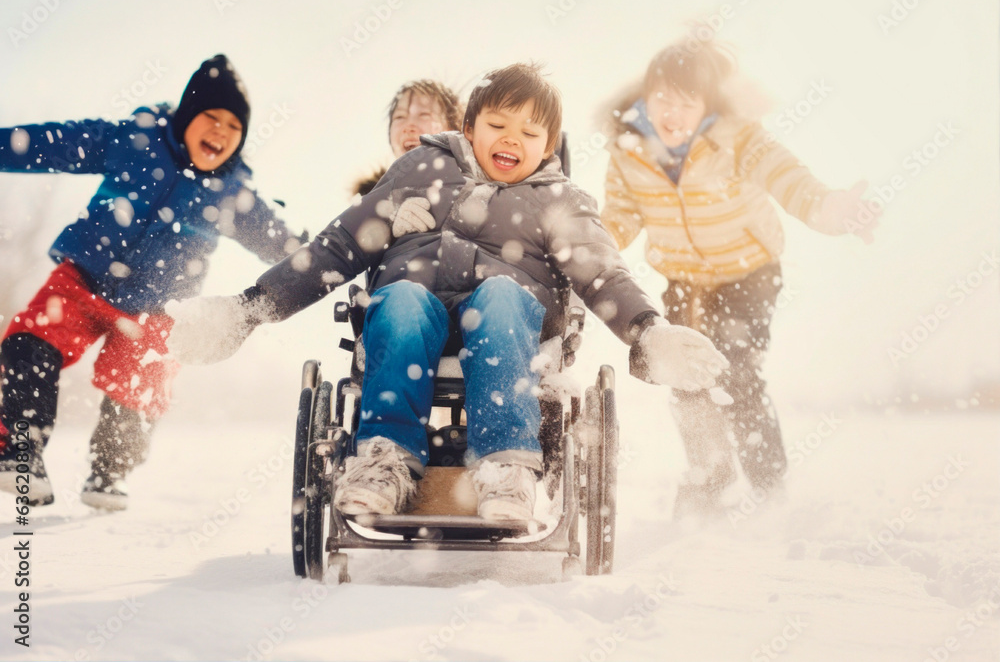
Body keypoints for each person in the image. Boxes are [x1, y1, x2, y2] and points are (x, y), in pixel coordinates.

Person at [166, 62, 728, 522]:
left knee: (502, 296)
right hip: (415, 307)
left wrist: (648, 330)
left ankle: (505, 465)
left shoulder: (560, 200)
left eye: (530, 133)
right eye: (498, 125)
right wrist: (251, 308)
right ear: (470, 126)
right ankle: (385, 457)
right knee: (401, 300)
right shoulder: (420, 169)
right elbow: (338, 245)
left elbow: (603, 272)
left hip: (506, 323)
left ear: (548, 146)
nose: (512, 139)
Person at [0, 54, 305, 510]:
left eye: (234, 126)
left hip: (158, 309)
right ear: (186, 116)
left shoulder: (232, 193)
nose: (221, 132)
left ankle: (110, 472)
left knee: (141, 387)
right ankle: (20, 453)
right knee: (30, 344)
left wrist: (321, 254)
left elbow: (283, 243)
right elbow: (56, 141)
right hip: (85, 279)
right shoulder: (134, 141)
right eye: (211, 117)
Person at [599, 41, 881, 517]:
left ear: (708, 106)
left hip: (748, 273)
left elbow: (792, 181)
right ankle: (711, 476)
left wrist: (833, 209)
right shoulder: (629, 152)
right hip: (684, 279)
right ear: (646, 97)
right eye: (663, 99)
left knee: (738, 371)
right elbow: (620, 218)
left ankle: (768, 484)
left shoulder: (740, 139)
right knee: (685, 375)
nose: (672, 113)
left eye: (687, 103)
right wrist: (589, 246)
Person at [352, 79, 463, 197]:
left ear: (452, 129)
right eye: (400, 117)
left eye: (424, 114)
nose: (409, 126)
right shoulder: (373, 201)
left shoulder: (469, 191)